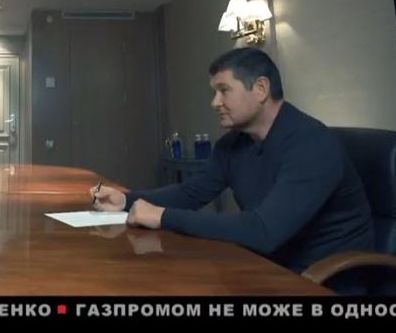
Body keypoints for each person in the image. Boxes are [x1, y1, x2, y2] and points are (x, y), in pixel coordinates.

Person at [91, 47, 373, 282]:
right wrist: (126, 200)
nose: (215, 102)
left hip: (322, 279)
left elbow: (264, 231)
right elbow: (191, 193)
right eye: (214, 92)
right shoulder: (231, 145)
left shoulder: (311, 144)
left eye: (223, 90)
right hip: (265, 268)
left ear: (261, 89)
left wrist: (163, 216)